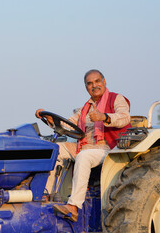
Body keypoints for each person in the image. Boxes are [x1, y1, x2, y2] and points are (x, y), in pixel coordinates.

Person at [35, 69, 131, 222]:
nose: (94, 85)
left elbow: (124, 118)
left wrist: (104, 117)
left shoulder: (116, 99)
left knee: (84, 157)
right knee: (53, 149)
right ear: (86, 87)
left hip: (107, 148)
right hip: (83, 146)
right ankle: (45, 196)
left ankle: (73, 207)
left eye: (97, 81)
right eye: (90, 83)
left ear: (104, 82)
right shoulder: (85, 108)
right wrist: (49, 119)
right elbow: (69, 124)